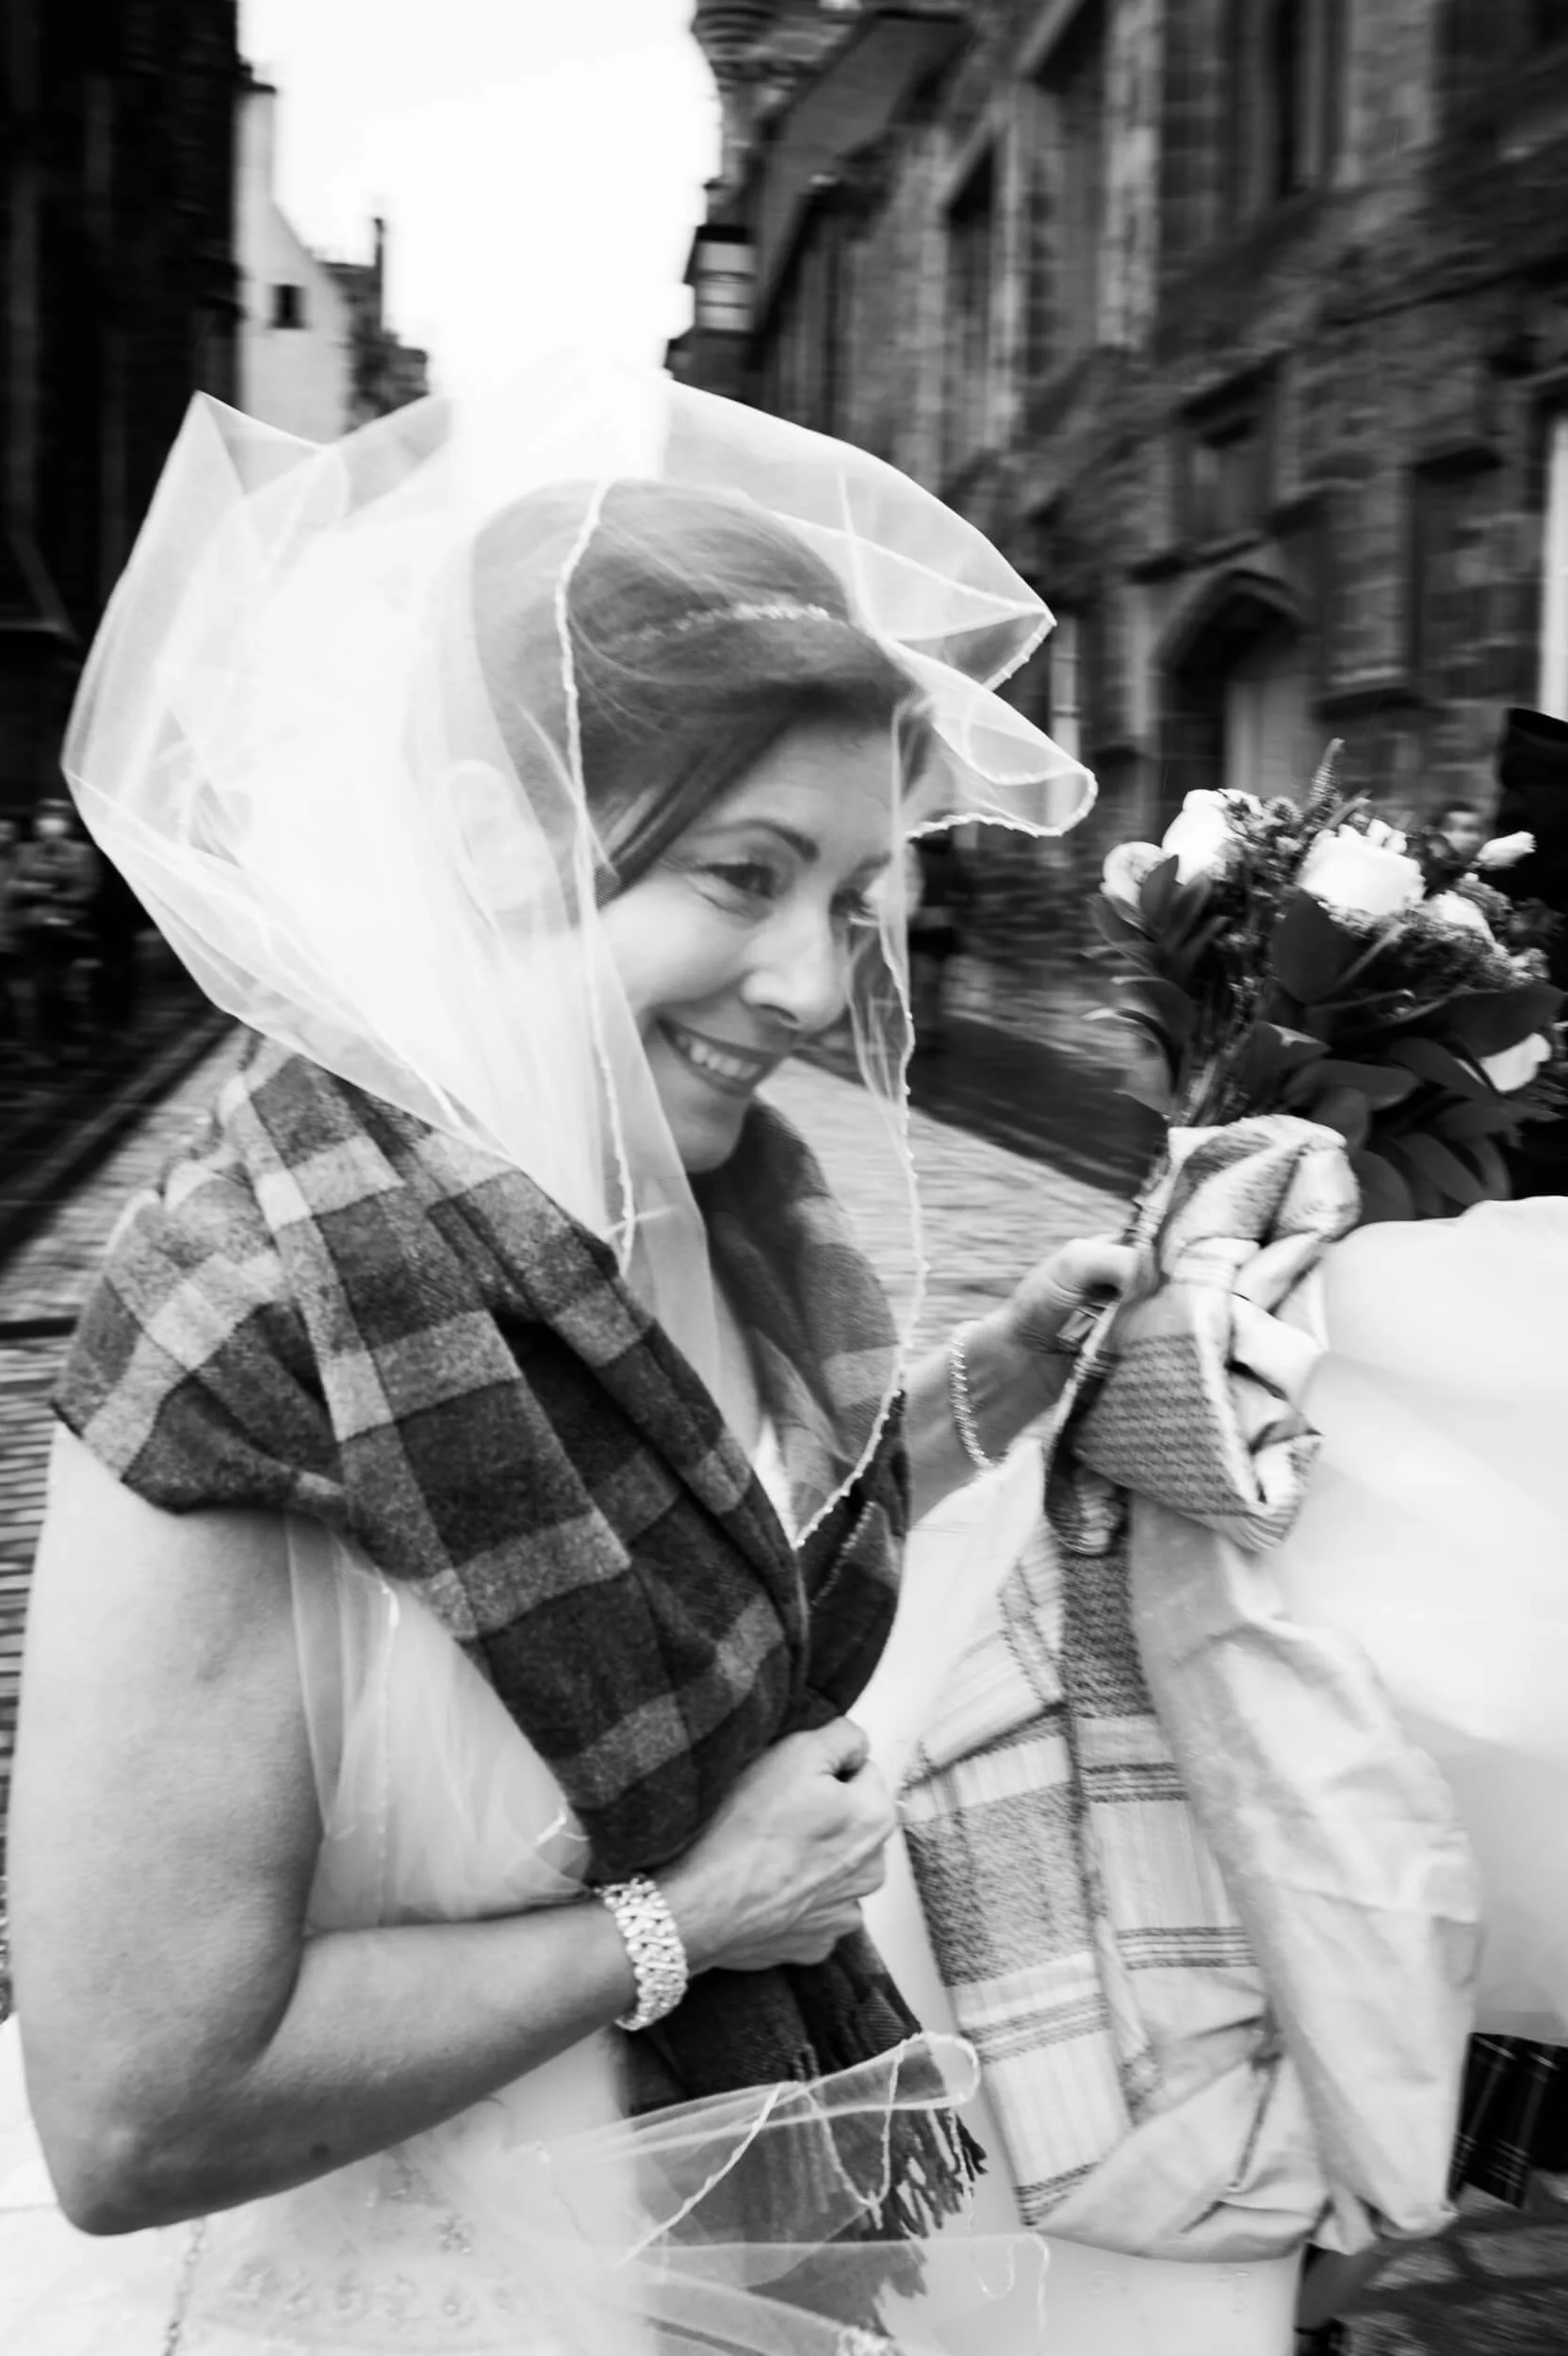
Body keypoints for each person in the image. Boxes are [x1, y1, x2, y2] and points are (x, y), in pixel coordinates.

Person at [0, 368, 1128, 2354]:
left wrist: (989, 1382)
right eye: (739, 874)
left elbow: (724, 1550)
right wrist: (688, 1919)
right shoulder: (248, 1321)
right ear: (491, 830)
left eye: (849, 899)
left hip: (732, 2231)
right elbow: (129, 2104)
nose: (807, 984)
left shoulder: (683, 1206)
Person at [10, 799, 98, 1058]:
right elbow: (14, 885)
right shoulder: (24, 851)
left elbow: (86, 889)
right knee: (41, 988)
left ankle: (67, 1034)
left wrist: (50, 893)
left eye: (56, 818)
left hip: (68, 931)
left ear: (67, 823)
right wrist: (45, 888)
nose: (49, 823)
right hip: (34, 929)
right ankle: (46, 1042)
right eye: (45, 817)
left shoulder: (82, 852)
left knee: (65, 988)